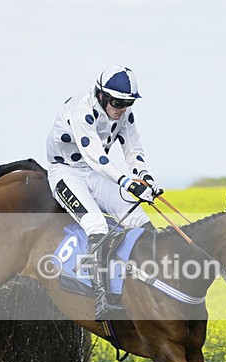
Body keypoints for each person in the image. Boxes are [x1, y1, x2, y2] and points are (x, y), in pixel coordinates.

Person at [46, 65, 163, 320]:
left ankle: (154, 286)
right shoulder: (81, 109)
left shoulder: (124, 114)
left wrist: (145, 177)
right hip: (67, 172)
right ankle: (103, 297)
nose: (122, 109)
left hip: (96, 173)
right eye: (118, 102)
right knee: (96, 224)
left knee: (140, 220)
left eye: (128, 103)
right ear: (101, 95)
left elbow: (133, 149)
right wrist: (127, 182)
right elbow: (96, 156)